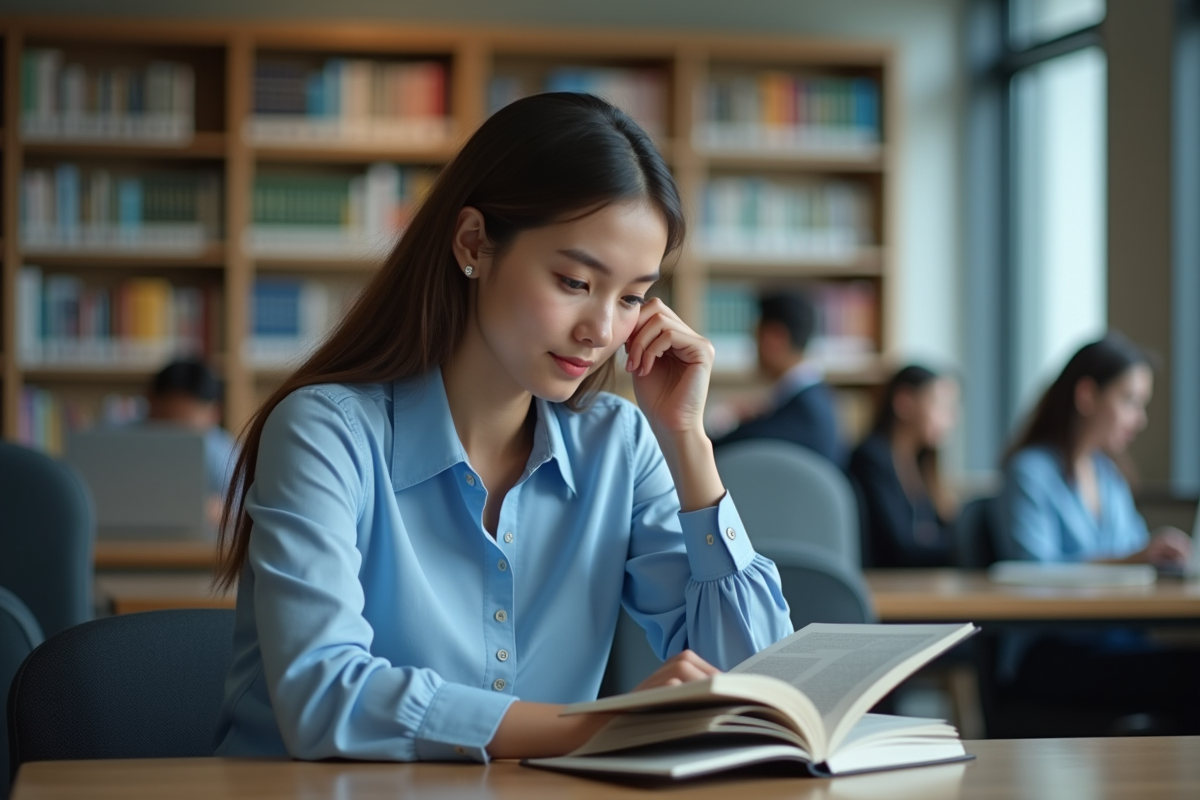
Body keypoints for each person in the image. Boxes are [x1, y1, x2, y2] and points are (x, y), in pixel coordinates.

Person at [212, 93, 793, 763]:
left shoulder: (619, 445)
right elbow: (325, 699)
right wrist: (603, 726)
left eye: (632, 297)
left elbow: (760, 689)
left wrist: (687, 441)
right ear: (473, 245)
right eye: (575, 281)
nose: (602, 330)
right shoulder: (326, 432)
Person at [993, 334, 1198, 732]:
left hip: (1115, 641)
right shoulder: (1029, 472)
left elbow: (1137, 554)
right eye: (1129, 401)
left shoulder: (1109, 477)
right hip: (1052, 655)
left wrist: (1162, 559)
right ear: (1087, 395)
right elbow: (1030, 573)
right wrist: (1135, 558)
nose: (1139, 419)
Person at [711, 290, 845, 466]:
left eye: (756, 338)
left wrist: (719, 420)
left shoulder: (802, 411)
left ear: (774, 338)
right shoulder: (816, 399)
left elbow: (718, 450)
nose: (753, 350)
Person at [848, 365, 959, 568]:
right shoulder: (871, 459)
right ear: (904, 402)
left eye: (952, 409)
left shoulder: (921, 464)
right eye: (940, 406)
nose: (949, 420)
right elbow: (898, 547)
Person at [145, 358, 237, 525]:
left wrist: (223, 512)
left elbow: (244, 516)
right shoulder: (115, 441)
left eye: (186, 431)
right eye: (164, 425)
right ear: (150, 403)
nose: (174, 439)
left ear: (214, 414)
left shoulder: (225, 456)